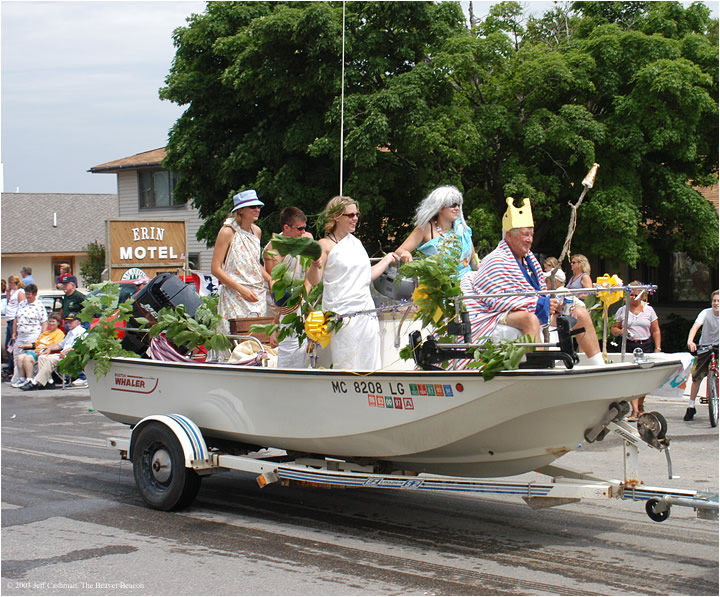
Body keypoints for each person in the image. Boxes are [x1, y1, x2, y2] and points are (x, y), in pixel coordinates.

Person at [460, 197, 605, 366]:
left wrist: (553, 305)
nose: (529, 239)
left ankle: (599, 365)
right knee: (529, 320)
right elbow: (496, 299)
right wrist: (539, 304)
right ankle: (540, 368)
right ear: (509, 235)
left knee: (579, 312)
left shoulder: (530, 261)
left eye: (531, 234)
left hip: (527, 308)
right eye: (524, 234)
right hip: (494, 313)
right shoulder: (496, 260)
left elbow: (539, 293)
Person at [306, 196, 398, 370]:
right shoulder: (324, 245)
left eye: (356, 214)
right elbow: (314, 280)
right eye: (350, 215)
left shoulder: (356, 243)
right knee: (347, 364)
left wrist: (387, 259)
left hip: (366, 312)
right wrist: (314, 265)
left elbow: (366, 276)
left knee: (370, 364)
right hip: (342, 315)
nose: (355, 218)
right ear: (336, 217)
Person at [211, 190, 273, 334]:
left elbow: (253, 262)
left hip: (256, 295)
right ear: (241, 210)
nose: (257, 209)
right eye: (252, 207)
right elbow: (216, 268)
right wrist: (241, 289)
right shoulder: (228, 231)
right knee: (235, 340)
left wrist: (270, 279)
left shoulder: (256, 231)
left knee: (257, 340)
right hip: (235, 296)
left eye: (258, 206)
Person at [263, 207, 313, 368]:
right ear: (286, 228)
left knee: (306, 350)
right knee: (288, 350)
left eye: (305, 228)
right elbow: (277, 285)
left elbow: (310, 273)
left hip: (302, 297)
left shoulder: (306, 239)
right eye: (299, 228)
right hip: (281, 303)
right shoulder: (273, 250)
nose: (303, 232)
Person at [396, 185, 477, 277]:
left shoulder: (462, 228)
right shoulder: (425, 228)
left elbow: (473, 261)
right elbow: (399, 251)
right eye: (453, 204)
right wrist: (404, 253)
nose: (457, 208)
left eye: (458, 204)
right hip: (438, 286)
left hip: (467, 283)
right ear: (439, 207)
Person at [610, 281, 662, 420]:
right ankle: (634, 410)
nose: (632, 297)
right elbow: (614, 328)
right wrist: (621, 331)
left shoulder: (649, 310)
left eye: (635, 295)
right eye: (630, 295)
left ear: (641, 295)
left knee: (644, 377)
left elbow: (655, 330)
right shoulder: (622, 310)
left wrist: (658, 348)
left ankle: (640, 405)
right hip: (629, 345)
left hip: (645, 344)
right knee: (633, 377)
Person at [20, 313, 88, 391]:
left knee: (50, 360)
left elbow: (80, 348)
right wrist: (49, 348)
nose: (68, 323)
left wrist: (66, 351)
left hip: (71, 357)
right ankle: (49, 382)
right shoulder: (70, 332)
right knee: (42, 357)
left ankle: (35, 382)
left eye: (71, 322)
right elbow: (59, 345)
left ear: (78, 322)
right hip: (63, 355)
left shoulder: (82, 333)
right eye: (67, 321)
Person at [683, 290, 720, 421]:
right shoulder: (705, 313)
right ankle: (691, 406)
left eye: (718, 301)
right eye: (714, 301)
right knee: (697, 376)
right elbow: (695, 327)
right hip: (705, 345)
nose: (716, 303)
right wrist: (690, 341)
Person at [12, 313, 65, 388]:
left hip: (46, 353)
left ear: (58, 323)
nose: (51, 323)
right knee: (20, 357)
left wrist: (44, 349)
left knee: (27, 358)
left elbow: (56, 345)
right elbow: (36, 344)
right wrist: (24, 346)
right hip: (37, 351)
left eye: (53, 321)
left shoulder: (59, 333)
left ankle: (29, 379)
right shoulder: (46, 333)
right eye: (49, 321)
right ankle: (22, 379)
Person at [4, 275, 26, 380]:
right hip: (9, 319)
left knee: (11, 345)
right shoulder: (13, 293)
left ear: (13, 283)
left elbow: (21, 306)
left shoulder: (20, 292)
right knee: (8, 345)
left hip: (14, 320)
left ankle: (12, 369)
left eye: (10, 283)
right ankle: (10, 368)